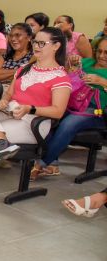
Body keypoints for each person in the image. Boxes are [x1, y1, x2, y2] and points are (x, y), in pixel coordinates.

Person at [0, 27, 72, 206]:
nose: (36, 46)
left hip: (34, 122)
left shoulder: (60, 77)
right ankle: (2, 141)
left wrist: (30, 108)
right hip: (10, 111)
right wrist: (3, 100)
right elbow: (9, 94)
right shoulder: (25, 68)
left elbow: (58, 111)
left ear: (56, 46)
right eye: (35, 42)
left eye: (42, 43)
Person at [31, 37, 107, 179]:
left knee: (68, 124)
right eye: (99, 51)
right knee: (48, 117)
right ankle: (51, 161)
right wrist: (70, 66)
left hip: (98, 111)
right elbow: (66, 76)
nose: (102, 56)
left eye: (106, 53)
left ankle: (41, 163)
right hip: (73, 103)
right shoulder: (87, 62)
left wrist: (102, 82)